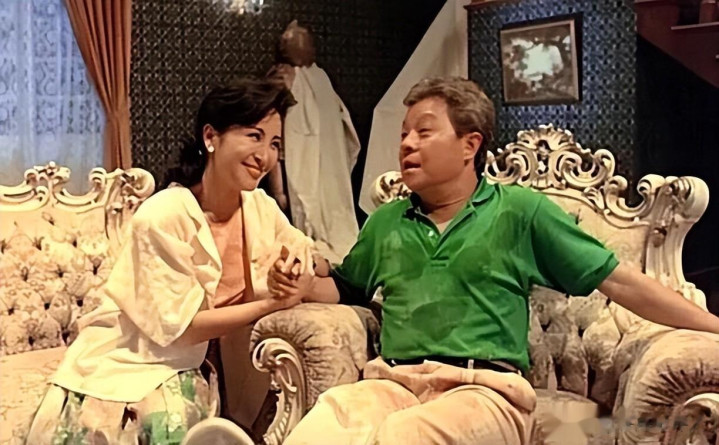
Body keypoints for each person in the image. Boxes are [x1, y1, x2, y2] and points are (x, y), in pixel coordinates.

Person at [270, 77, 719, 445]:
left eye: (423, 132)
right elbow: (346, 287)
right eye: (404, 133)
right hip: (392, 381)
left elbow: (620, 283)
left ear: (470, 145)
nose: (406, 144)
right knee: (322, 428)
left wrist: (713, 325)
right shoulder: (386, 220)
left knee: (403, 437)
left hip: (485, 391)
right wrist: (303, 287)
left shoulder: (520, 211)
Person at [25, 78, 316, 445]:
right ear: (211, 137)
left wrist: (301, 264)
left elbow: (304, 251)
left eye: (274, 144)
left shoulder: (259, 206)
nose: (265, 156)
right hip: (136, 353)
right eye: (254, 136)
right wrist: (274, 303)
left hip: (209, 358)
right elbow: (184, 329)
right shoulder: (162, 215)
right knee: (166, 424)